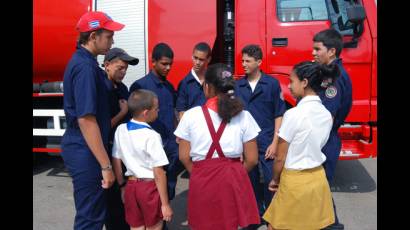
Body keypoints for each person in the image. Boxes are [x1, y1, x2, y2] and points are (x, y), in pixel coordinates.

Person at [174, 63, 261, 229]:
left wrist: (199, 172)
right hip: (232, 176)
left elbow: (184, 157)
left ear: (207, 87)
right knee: (230, 224)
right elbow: (252, 159)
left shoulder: (190, 116)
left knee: (203, 224)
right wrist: (235, 174)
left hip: (202, 176)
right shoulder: (244, 115)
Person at [61, 11, 124, 230]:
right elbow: (86, 120)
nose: (112, 40)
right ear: (93, 36)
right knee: (91, 218)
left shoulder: (87, 63)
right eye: (108, 36)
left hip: (87, 148)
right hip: (85, 149)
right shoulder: (85, 68)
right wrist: (105, 165)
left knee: (99, 212)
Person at [262, 61, 340, 230]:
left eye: (291, 81)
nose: (289, 86)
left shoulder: (293, 114)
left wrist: (275, 179)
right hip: (318, 179)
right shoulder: (327, 114)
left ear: (304, 83)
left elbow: (280, 157)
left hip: (294, 181)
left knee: (275, 226)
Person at [235, 44, 286, 227]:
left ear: (259, 62)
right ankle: (255, 215)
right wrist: (237, 146)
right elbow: (235, 118)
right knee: (250, 180)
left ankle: (272, 215)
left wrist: (275, 142)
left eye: (248, 61)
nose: (244, 64)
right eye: (242, 60)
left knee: (271, 179)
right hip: (246, 142)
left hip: (267, 139)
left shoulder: (271, 84)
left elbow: (278, 114)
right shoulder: (238, 85)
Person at [111, 89, 173, 230]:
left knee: (136, 227)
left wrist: (121, 186)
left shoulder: (121, 129)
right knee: (154, 227)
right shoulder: (152, 136)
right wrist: (165, 204)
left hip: (131, 186)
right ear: (146, 113)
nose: (158, 112)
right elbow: (159, 172)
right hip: (149, 188)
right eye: (156, 109)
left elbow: (116, 159)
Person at [129, 43, 181, 201]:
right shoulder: (140, 86)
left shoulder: (170, 87)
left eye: (170, 64)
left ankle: (163, 220)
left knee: (169, 187)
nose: (168, 67)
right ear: (153, 62)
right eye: (164, 64)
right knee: (152, 190)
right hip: (149, 149)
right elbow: (133, 120)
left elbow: (174, 114)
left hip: (170, 147)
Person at [312, 28, 353, 230]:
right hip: (326, 138)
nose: (313, 53)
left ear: (332, 52)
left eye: (317, 49)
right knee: (318, 187)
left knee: (320, 186)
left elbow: (325, 118)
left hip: (325, 140)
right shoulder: (329, 73)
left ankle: (333, 226)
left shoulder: (332, 79)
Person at [102, 47, 139, 230]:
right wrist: (122, 112)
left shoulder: (122, 88)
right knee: (112, 204)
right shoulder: (102, 88)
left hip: (123, 154)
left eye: (126, 69)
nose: (123, 72)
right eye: (120, 68)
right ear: (107, 65)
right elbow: (101, 126)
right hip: (107, 153)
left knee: (124, 202)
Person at [176, 42, 211, 120]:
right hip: (192, 130)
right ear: (192, 56)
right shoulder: (184, 84)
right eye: (195, 58)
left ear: (208, 59)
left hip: (212, 129)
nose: (197, 62)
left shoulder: (213, 80)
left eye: (201, 59)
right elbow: (181, 113)